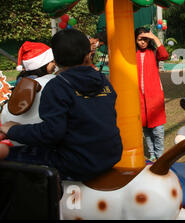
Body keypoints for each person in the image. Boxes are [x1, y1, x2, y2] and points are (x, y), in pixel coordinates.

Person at [0, 29, 122, 181]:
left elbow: (51, 133)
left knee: (5, 154)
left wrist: (12, 129)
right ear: (88, 55)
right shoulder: (103, 80)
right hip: (110, 155)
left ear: (56, 62)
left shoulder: (57, 86)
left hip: (78, 163)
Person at [1, 41, 56, 126]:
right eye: (52, 61)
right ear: (42, 64)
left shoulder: (22, 80)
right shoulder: (43, 82)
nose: (55, 64)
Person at [135, 27, 169, 162]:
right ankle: (152, 153)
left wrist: (154, 37)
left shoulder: (154, 52)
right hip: (139, 99)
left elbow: (165, 55)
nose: (142, 42)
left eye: (145, 39)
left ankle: (160, 155)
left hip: (154, 97)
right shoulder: (133, 54)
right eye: (140, 39)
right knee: (146, 130)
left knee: (158, 130)